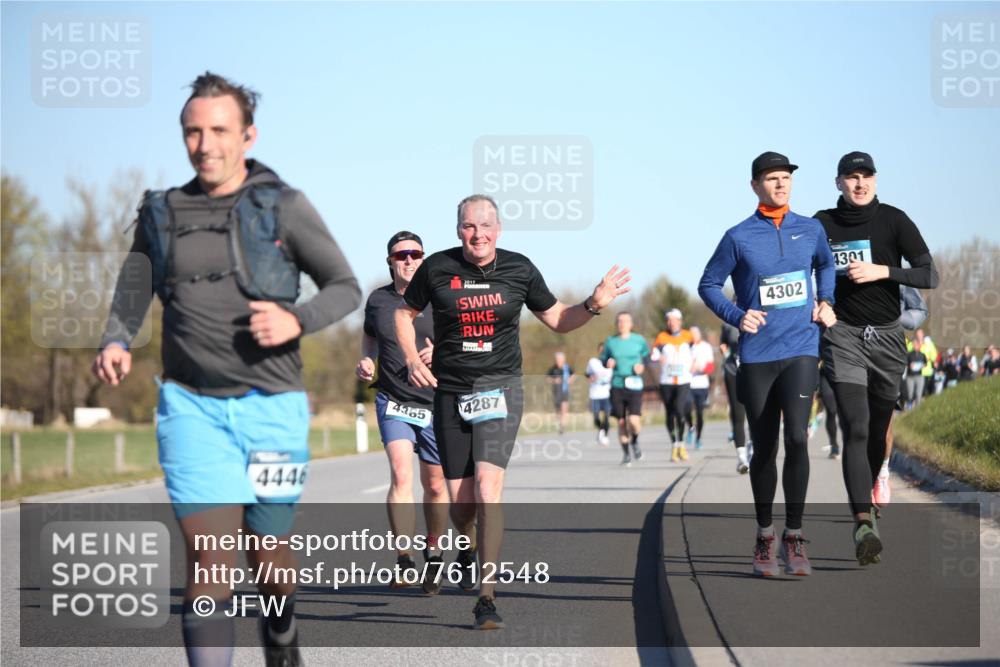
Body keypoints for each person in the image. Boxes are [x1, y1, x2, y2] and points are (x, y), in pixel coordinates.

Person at [92, 72, 361, 667]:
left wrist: (297, 319)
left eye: (219, 130)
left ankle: (281, 627)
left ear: (248, 136)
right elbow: (134, 284)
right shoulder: (162, 212)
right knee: (211, 560)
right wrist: (116, 337)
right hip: (191, 407)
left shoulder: (284, 207)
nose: (205, 144)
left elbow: (345, 288)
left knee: (269, 557)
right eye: (193, 131)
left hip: (273, 410)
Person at [395, 194, 629, 629]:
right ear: (458, 229)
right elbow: (403, 315)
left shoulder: (519, 268)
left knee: (488, 487)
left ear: (498, 230)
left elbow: (558, 318)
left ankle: (486, 596)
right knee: (462, 504)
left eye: (485, 226)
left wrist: (595, 303)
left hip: (499, 389)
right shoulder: (437, 269)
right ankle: (464, 544)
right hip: (449, 392)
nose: (478, 233)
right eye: (469, 225)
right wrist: (410, 357)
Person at [699, 151, 837, 577]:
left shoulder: (810, 229)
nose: (781, 185)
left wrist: (826, 300)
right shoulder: (738, 236)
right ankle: (764, 537)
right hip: (758, 355)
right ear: (755, 185)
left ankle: (794, 536)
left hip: (801, 347)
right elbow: (708, 285)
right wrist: (739, 316)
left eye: (786, 178)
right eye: (772, 179)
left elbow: (827, 264)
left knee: (797, 437)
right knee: (765, 447)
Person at [814, 151, 939, 566]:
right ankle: (863, 522)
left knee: (879, 426)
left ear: (876, 180)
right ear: (839, 184)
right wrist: (820, 303)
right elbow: (801, 271)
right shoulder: (822, 224)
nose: (860, 183)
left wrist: (884, 271)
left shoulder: (894, 220)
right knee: (856, 425)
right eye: (851, 177)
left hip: (887, 338)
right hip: (843, 335)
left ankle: (872, 485)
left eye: (866, 175)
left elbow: (929, 275)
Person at [357, 231, 449, 594]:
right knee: (399, 473)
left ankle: (434, 549)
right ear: (390, 262)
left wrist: (440, 350)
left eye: (415, 254)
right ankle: (404, 558)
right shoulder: (378, 300)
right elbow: (369, 336)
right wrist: (366, 358)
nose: (408, 260)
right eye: (401, 255)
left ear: (423, 259)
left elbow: (464, 335)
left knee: (436, 485)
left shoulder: (440, 297)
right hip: (394, 399)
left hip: (435, 402)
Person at [602, 312, 652, 465]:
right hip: (617, 385)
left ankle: (635, 441)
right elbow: (603, 358)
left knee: (634, 421)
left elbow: (647, 356)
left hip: (634, 384)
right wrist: (607, 362)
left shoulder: (639, 340)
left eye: (625, 321)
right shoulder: (610, 341)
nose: (622, 324)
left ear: (631, 324)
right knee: (622, 422)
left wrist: (642, 366)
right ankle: (626, 454)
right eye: (619, 321)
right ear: (616, 324)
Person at [651, 309, 693, 461]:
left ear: (680, 321)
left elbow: (695, 353)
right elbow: (653, 354)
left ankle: (681, 443)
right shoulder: (661, 337)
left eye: (674, 320)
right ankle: (675, 445)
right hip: (666, 381)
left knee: (679, 411)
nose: (671, 323)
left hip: (683, 380)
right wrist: (657, 358)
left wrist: (695, 363)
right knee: (670, 414)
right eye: (668, 320)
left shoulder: (689, 336)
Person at [719, 321, 751, 473]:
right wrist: (724, 350)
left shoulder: (762, 313)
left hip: (756, 371)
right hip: (733, 371)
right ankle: (741, 457)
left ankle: (753, 448)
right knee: (738, 414)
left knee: (756, 412)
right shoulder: (728, 324)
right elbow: (723, 343)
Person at [687, 326, 715, 449]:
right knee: (685, 408)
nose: (693, 336)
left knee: (699, 412)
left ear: (699, 335)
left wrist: (700, 369)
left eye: (695, 333)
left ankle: (698, 438)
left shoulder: (706, 347)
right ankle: (691, 427)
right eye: (690, 334)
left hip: (701, 384)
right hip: (687, 383)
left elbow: (710, 367)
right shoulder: (685, 347)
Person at [585, 342, 613, 446]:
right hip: (595, 394)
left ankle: (604, 435)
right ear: (598, 351)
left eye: (604, 350)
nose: (602, 352)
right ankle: (601, 430)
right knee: (596, 417)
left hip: (606, 394)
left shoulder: (612, 363)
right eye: (601, 350)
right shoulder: (593, 362)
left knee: (606, 416)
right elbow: (587, 373)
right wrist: (590, 377)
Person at [546, 351, 574, 435]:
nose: (558, 361)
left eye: (560, 359)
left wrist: (570, 380)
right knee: (558, 409)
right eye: (557, 359)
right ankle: (559, 423)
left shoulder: (567, 368)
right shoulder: (553, 368)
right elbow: (547, 378)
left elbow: (573, 374)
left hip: (565, 391)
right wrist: (554, 380)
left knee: (564, 408)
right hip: (556, 392)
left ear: (563, 360)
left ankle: (562, 425)